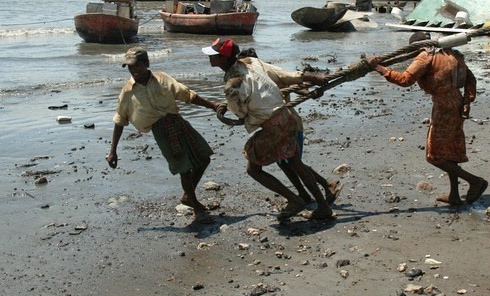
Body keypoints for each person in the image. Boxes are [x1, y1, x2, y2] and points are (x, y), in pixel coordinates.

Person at [203, 38, 333, 221]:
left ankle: (294, 200)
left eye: (214, 55)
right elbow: (281, 75)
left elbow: (240, 112)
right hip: (286, 117)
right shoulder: (252, 62)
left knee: (253, 170)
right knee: (295, 163)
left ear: (223, 59)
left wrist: (236, 108)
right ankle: (323, 206)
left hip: (273, 126)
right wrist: (309, 78)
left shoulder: (232, 85)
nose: (210, 58)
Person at [367, 32, 488, 206]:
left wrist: (379, 68)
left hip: (444, 106)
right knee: (449, 151)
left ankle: (475, 181)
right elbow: (471, 78)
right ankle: (454, 195)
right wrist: (467, 100)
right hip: (458, 102)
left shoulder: (425, 56)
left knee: (435, 156)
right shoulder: (452, 53)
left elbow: (404, 80)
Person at [106, 47, 222, 224]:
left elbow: (187, 95)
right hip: (161, 130)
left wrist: (212, 105)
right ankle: (197, 208)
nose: (133, 70)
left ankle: (187, 196)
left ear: (146, 64)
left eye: (136, 66)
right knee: (184, 168)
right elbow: (120, 120)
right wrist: (113, 151)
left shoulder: (162, 79)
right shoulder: (128, 92)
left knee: (204, 157)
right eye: (129, 67)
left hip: (178, 122)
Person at [237, 48, 343, 206]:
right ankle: (306, 194)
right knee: (286, 162)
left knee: (293, 162)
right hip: (278, 125)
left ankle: (324, 186)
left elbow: (294, 82)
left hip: (288, 123)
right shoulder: (255, 78)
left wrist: (309, 91)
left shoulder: (266, 72)